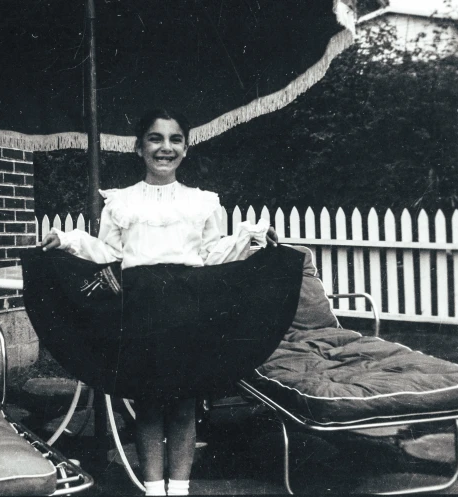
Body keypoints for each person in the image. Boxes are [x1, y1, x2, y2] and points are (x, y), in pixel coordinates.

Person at [36, 109, 284, 496]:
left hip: (188, 309)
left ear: (185, 148)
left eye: (175, 139)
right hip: (140, 309)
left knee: (184, 402)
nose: (165, 147)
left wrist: (250, 239)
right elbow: (108, 253)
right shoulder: (121, 203)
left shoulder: (202, 203)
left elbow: (212, 252)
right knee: (148, 402)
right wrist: (67, 240)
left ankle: (180, 489)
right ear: (139, 148)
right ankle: (154, 490)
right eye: (155, 138)